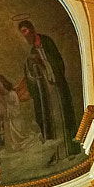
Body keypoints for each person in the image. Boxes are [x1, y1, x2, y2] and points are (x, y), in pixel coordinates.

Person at [16, 20, 77, 153]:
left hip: (56, 85)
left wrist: (47, 67)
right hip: (46, 91)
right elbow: (31, 71)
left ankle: (69, 148)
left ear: (31, 29)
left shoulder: (46, 41)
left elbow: (56, 60)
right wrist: (32, 64)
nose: (25, 35)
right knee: (47, 115)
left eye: (25, 31)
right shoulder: (32, 50)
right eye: (22, 33)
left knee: (62, 113)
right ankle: (55, 151)